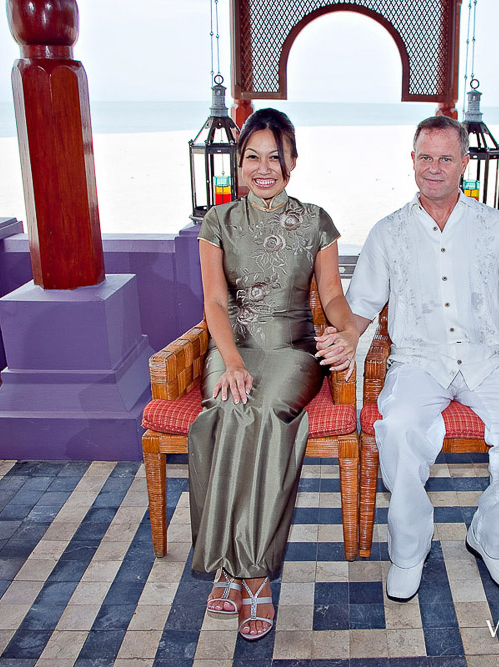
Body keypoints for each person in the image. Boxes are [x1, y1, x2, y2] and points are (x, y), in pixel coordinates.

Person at [338, 115, 499, 601]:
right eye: (425, 157)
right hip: (418, 360)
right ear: (412, 161)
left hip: (488, 358)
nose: (433, 167)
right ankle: (409, 550)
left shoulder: (496, 228)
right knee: (397, 428)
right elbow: (360, 309)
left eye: (445, 158)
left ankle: (491, 537)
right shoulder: (387, 233)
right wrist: (343, 339)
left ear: (464, 163)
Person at [188, 108, 359, 639]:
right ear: (238, 164)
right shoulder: (218, 223)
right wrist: (232, 361)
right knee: (228, 405)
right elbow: (215, 300)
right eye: (252, 157)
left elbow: (331, 295)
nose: (264, 168)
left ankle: (253, 573)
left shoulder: (317, 220)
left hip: (291, 349)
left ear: (292, 163)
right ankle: (225, 560)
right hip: (233, 344)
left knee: (262, 410)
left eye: (275, 158)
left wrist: (352, 331)